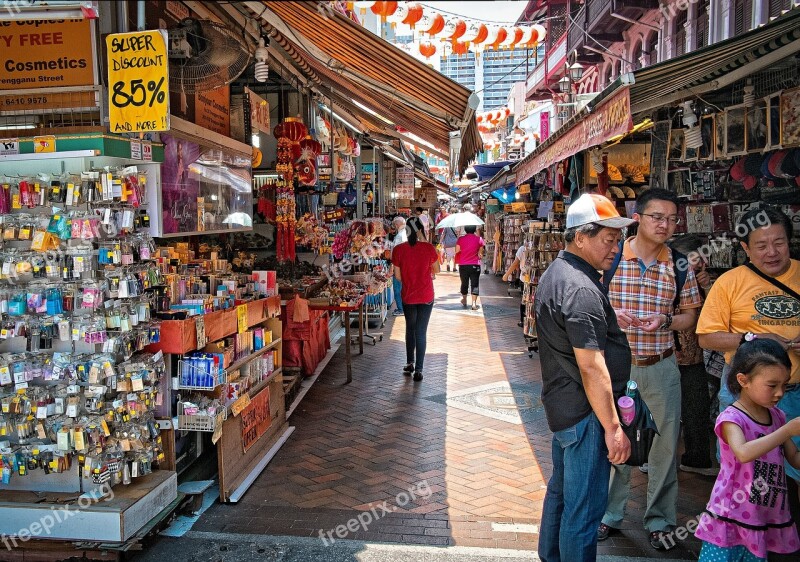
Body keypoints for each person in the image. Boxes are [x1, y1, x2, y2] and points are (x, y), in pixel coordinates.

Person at [598, 188, 703, 551]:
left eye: (672, 219)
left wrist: (666, 319)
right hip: (616, 369)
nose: (666, 225)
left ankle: (660, 520)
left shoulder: (679, 264)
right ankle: (609, 515)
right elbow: (585, 308)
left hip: (660, 367)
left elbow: (690, 315)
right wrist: (611, 316)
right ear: (637, 218)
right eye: (658, 216)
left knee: (664, 448)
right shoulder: (610, 258)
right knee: (615, 440)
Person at [535, 193, 634, 562]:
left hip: (567, 409)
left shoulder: (561, 274)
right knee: (584, 510)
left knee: (562, 495)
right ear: (581, 237)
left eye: (617, 239)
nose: (615, 248)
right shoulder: (580, 287)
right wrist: (612, 427)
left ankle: (551, 557)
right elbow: (592, 367)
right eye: (608, 239)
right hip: (585, 415)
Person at [697, 206, 800, 536]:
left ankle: (788, 537)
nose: (771, 252)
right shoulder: (729, 283)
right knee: (750, 476)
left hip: (797, 391)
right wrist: (752, 337)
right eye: (761, 245)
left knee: (796, 470)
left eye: (779, 243)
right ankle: (751, 540)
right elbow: (706, 336)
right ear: (745, 248)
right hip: (746, 401)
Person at [693, 339, 800, 560]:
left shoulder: (778, 417)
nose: (780, 393)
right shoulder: (732, 418)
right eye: (772, 385)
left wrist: (786, 430)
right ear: (743, 380)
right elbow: (743, 452)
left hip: (761, 513)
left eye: (785, 385)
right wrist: (788, 430)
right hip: (731, 512)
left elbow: (794, 458)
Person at [669, 235, 719, 476]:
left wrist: (707, 286)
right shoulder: (666, 279)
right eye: (693, 259)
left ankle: (697, 458)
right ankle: (652, 457)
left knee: (696, 407)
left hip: (695, 356)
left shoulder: (702, 281)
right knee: (665, 409)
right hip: (666, 354)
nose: (699, 264)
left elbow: (718, 313)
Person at [391, 216, 439, 382]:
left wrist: (410, 279)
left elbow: (397, 276)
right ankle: (419, 369)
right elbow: (437, 270)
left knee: (410, 328)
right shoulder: (428, 248)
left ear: (405, 229)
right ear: (420, 230)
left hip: (408, 295)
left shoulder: (399, 250)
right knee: (421, 331)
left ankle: (409, 362)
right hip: (426, 295)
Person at [455, 225, 485, 310]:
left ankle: (464, 299)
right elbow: (480, 253)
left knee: (464, 283)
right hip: (475, 265)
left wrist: (464, 250)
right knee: (474, 284)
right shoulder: (479, 239)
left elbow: (456, 251)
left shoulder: (461, 239)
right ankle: (474, 304)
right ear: (475, 229)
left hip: (463, 265)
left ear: (465, 229)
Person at [503, 243, 527, 327]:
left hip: (525, 278)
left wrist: (506, 275)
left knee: (525, 300)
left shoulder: (522, 248)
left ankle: (523, 321)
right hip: (536, 279)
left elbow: (515, 263)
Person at [388, 216, 408, 317]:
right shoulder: (403, 234)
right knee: (400, 288)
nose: (394, 226)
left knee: (397, 288)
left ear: (397, 224)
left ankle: (401, 309)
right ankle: (402, 308)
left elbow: (398, 252)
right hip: (401, 265)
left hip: (399, 266)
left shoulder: (401, 235)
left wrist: (393, 265)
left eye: (395, 224)